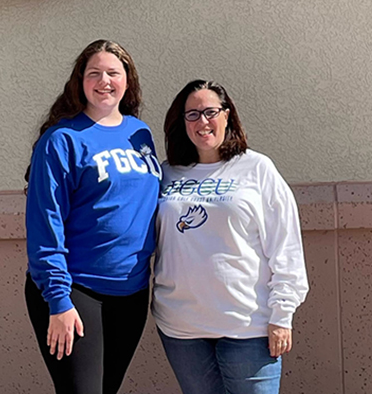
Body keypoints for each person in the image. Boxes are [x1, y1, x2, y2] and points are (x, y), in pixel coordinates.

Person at [152, 80, 309, 394]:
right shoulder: (166, 174)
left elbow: (286, 247)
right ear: (180, 123)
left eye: (211, 111)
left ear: (228, 116)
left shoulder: (256, 169)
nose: (203, 122)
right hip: (182, 329)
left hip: (247, 327)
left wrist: (282, 315)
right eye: (192, 114)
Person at [24, 39, 161, 394]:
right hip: (76, 290)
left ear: (127, 81)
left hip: (131, 293)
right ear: (79, 82)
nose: (104, 81)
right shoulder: (61, 140)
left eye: (113, 73)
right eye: (94, 73)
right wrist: (58, 299)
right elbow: (45, 223)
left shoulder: (139, 134)